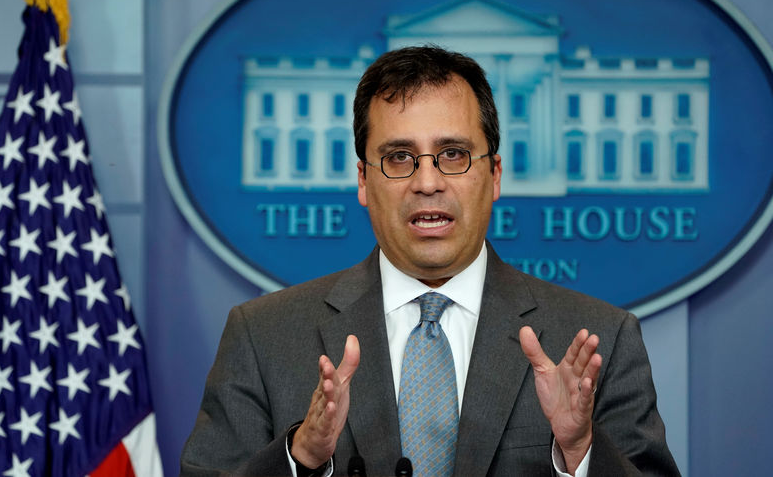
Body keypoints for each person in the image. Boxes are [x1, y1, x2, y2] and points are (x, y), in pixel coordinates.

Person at [180, 46, 680, 476]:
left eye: (454, 154)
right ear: (362, 179)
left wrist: (580, 451)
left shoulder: (598, 338)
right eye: (399, 157)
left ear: (495, 174)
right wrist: (300, 457)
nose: (427, 182)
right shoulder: (264, 336)